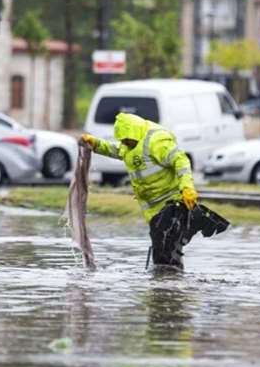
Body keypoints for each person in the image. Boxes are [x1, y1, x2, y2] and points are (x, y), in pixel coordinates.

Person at [80, 112, 199, 267]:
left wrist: (187, 187)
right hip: (153, 209)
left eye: (127, 140)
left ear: (134, 133)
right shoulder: (129, 145)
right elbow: (115, 150)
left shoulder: (157, 141)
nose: (125, 143)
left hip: (172, 204)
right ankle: (168, 284)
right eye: (123, 141)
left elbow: (181, 161)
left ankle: (168, 286)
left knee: (165, 250)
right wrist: (95, 143)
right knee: (164, 250)